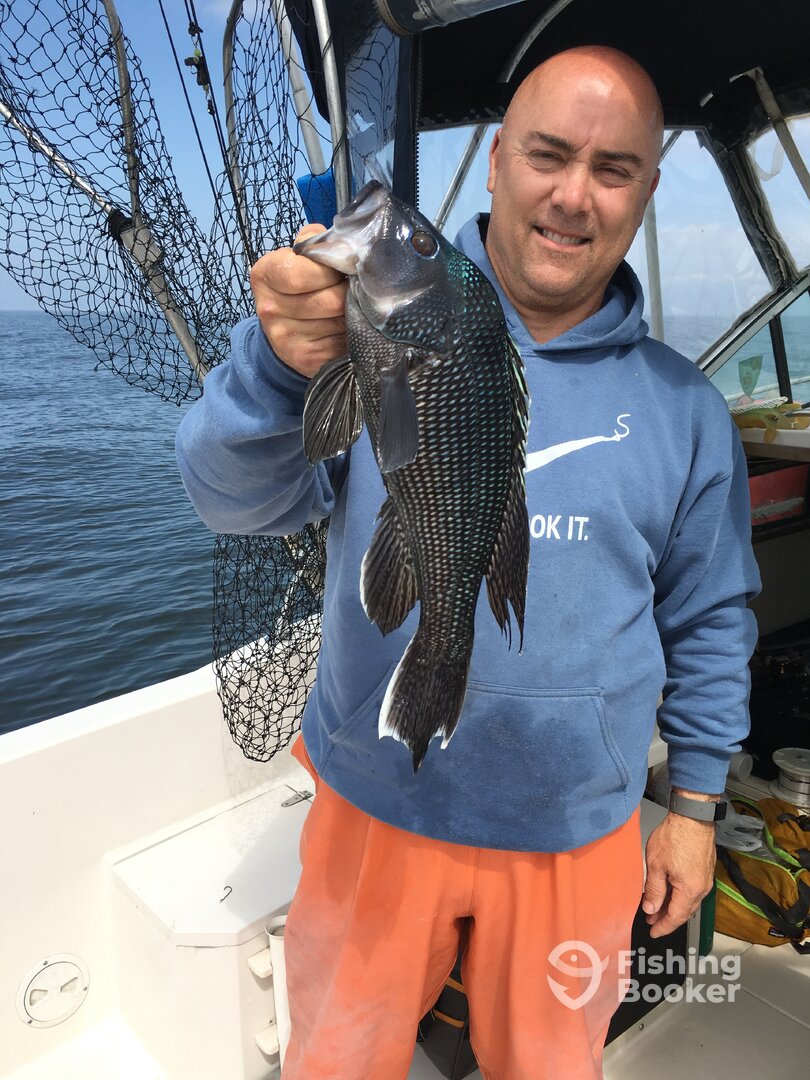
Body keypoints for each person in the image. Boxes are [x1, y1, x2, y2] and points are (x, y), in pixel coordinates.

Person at [176, 45, 761, 1080]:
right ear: (495, 161)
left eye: (613, 169)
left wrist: (697, 809)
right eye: (547, 154)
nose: (572, 195)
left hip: (578, 828)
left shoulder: (688, 410)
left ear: (646, 192)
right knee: (337, 1062)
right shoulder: (368, 331)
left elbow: (710, 618)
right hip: (375, 802)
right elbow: (231, 503)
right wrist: (276, 363)